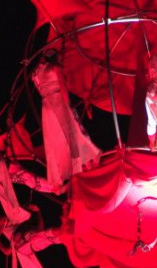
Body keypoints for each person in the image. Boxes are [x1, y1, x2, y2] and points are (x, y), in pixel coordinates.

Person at [31, 48, 101, 189]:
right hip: (58, 101)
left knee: (55, 139)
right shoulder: (55, 67)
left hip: (47, 106)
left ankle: (65, 171)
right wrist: (69, 106)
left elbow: (40, 89)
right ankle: (79, 166)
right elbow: (62, 87)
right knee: (72, 133)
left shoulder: (36, 72)